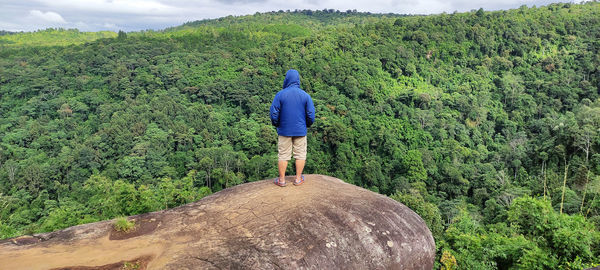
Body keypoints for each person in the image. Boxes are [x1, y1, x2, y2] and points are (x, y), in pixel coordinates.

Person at [270, 69, 315, 187]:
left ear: (287, 79)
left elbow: (274, 113)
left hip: (284, 130)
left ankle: (282, 180)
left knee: (283, 155)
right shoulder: (305, 95)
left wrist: (277, 124)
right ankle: (298, 179)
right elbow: (311, 114)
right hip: (300, 130)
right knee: (300, 154)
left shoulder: (280, 94)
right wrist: (307, 125)